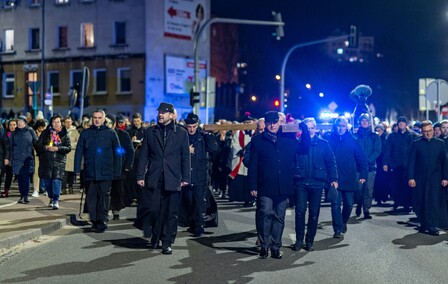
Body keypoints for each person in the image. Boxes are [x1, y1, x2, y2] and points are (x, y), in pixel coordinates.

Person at [248, 111, 309, 259]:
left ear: (279, 123)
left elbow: (304, 149)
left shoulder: (288, 139)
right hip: (264, 185)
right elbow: (253, 164)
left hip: (283, 185)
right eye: (270, 122)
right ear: (265, 124)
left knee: (279, 217)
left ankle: (275, 247)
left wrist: (305, 130)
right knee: (265, 213)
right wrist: (252, 186)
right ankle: (264, 246)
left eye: (275, 122)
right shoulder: (257, 141)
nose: (272, 125)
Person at [134, 102, 190, 255]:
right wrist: (140, 175)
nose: (160, 114)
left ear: (171, 115)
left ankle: (167, 242)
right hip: (155, 177)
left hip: (173, 178)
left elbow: (185, 157)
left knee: (171, 212)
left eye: (164, 112)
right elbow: (144, 155)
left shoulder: (181, 133)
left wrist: (186, 177)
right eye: (159, 112)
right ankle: (155, 234)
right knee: (153, 209)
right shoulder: (150, 132)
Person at [292, 117, 338, 251]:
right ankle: (299, 240)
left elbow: (331, 162)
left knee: (314, 213)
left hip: (317, 183)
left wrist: (334, 179)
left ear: (316, 129)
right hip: (301, 182)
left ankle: (310, 240)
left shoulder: (324, 144)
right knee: (300, 212)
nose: (310, 130)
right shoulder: (297, 143)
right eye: (307, 128)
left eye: (312, 128)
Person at [74, 109, 122, 233]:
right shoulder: (86, 133)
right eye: (95, 117)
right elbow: (79, 151)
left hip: (107, 171)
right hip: (90, 171)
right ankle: (94, 220)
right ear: (92, 119)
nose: (97, 120)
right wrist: (77, 169)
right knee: (91, 198)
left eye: (99, 117)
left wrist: (118, 170)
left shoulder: (111, 133)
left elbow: (118, 152)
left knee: (104, 197)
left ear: (104, 119)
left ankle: (103, 220)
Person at [325, 116, 368, 238]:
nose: (340, 128)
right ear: (335, 126)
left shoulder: (353, 141)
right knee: (335, 205)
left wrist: (363, 174)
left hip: (349, 178)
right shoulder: (329, 140)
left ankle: (343, 221)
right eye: (338, 126)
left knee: (349, 204)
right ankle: (337, 229)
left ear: (346, 127)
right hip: (334, 179)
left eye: (343, 126)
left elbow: (361, 159)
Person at [180, 113, 218, 237]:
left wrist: (207, 135)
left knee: (199, 201)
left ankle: (199, 225)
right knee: (189, 201)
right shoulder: (182, 136)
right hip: (186, 174)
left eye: (194, 126)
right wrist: (186, 149)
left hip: (200, 174)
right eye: (189, 126)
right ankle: (192, 223)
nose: (191, 129)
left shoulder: (202, 136)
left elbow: (213, 149)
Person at [408, 120, 448, 235]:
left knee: (433, 201)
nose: (428, 133)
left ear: (433, 130)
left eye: (430, 131)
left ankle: (431, 225)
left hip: (435, 178)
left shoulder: (440, 143)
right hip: (419, 178)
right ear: (421, 131)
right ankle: (423, 223)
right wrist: (411, 177)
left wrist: (446, 177)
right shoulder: (416, 144)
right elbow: (411, 162)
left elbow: (444, 162)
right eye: (425, 131)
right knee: (420, 201)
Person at [35, 114, 71, 209]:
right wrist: (45, 147)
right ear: (51, 123)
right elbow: (38, 146)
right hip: (46, 162)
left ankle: (55, 200)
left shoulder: (64, 133)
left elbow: (68, 148)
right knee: (47, 182)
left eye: (58, 122)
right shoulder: (45, 133)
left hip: (58, 162)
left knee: (56, 181)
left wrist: (57, 148)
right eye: (54, 122)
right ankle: (51, 197)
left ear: (61, 123)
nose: (56, 124)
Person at [383, 116, 418, 212]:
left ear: (406, 125)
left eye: (403, 123)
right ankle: (397, 201)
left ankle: (406, 204)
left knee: (406, 186)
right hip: (395, 165)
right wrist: (385, 163)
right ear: (397, 125)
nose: (401, 125)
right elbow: (387, 150)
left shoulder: (412, 136)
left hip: (407, 166)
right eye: (400, 124)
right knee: (395, 185)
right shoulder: (392, 136)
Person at [105, 114, 134, 220]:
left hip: (119, 167)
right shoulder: (101, 134)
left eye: (107, 122)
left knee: (117, 190)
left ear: (113, 124)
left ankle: (116, 209)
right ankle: (105, 210)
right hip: (105, 168)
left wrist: (127, 165)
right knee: (105, 190)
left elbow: (130, 151)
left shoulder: (123, 135)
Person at [354, 114, 381, 219]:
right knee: (358, 189)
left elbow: (377, 150)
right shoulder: (355, 136)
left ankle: (366, 209)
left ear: (369, 122)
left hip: (370, 167)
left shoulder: (374, 136)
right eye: (362, 121)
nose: (364, 122)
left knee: (368, 189)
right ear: (360, 122)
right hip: (358, 168)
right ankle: (359, 204)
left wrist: (369, 160)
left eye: (366, 120)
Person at [8, 115, 38, 203]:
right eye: (18, 122)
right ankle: (22, 195)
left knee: (26, 177)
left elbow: (36, 142)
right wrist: (9, 158)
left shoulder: (30, 131)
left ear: (25, 122)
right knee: (20, 177)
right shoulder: (14, 133)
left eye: (21, 122)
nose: (19, 123)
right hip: (17, 158)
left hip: (28, 158)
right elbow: (10, 146)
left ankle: (26, 196)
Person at [126, 112, 146, 205]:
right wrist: (131, 141)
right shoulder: (129, 131)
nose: (136, 122)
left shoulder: (145, 131)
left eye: (138, 121)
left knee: (140, 177)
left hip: (141, 157)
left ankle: (140, 196)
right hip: (132, 157)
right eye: (135, 121)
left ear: (141, 121)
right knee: (131, 177)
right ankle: (132, 196)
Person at [373, 124, 390, 205]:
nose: (378, 132)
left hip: (383, 161)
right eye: (377, 130)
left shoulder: (385, 139)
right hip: (375, 161)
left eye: (380, 130)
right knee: (377, 181)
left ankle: (384, 196)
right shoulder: (374, 138)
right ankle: (378, 198)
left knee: (383, 180)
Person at [63, 115, 80, 194]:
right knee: (64, 173)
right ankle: (63, 188)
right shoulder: (61, 131)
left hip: (72, 154)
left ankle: (71, 187)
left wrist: (70, 146)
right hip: (64, 154)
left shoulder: (75, 131)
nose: (68, 123)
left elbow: (78, 142)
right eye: (66, 122)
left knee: (72, 173)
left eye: (69, 122)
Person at [0, 119, 17, 198]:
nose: (12, 127)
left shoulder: (19, 134)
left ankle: (23, 193)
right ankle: (6, 191)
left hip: (17, 158)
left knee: (20, 176)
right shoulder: (6, 134)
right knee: (8, 176)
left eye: (14, 125)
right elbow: (4, 147)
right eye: (10, 125)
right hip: (8, 158)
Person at [31, 119, 47, 197]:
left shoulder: (48, 132)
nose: (41, 129)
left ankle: (47, 189)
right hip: (37, 155)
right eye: (39, 127)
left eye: (42, 127)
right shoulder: (33, 133)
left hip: (46, 154)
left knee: (47, 172)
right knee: (36, 172)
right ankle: (35, 190)